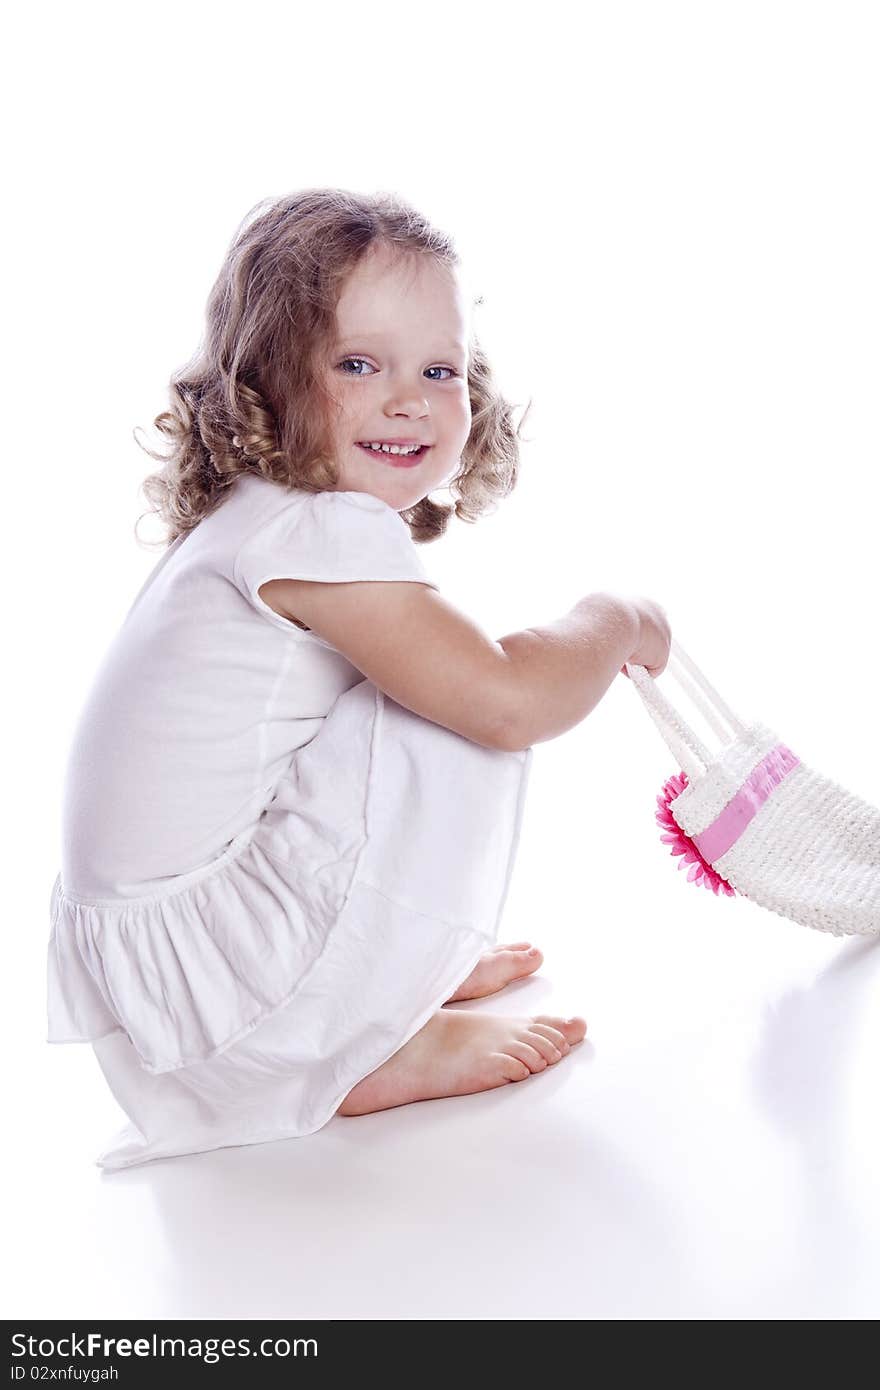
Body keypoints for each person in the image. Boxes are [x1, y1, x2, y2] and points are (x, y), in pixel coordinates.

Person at [45, 188, 671, 1170]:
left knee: (417, 684)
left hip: (175, 985)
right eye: (357, 363)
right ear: (270, 377)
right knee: (459, 706)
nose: (409, 397)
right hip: (233, 999)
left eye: (440, 368)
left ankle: (374, 978)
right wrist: (616, 619)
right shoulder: (313, 529)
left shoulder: (255, 515)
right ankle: (362, 1044)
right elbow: (507, 702)